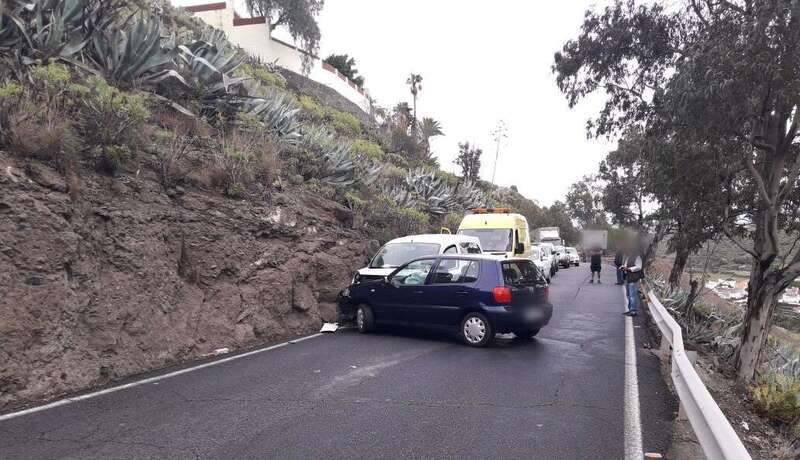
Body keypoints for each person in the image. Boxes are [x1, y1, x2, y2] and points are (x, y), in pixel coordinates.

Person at [621, 249, 644, 316]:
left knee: (632, 295)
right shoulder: (628, 257)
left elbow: (639, 267)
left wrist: (628, 269)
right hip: (627, 278)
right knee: (628, 295)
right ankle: (630, 309)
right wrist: (623, 268)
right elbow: (626, 266)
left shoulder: (637, 257)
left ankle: (633, 311)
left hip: (633, 278)